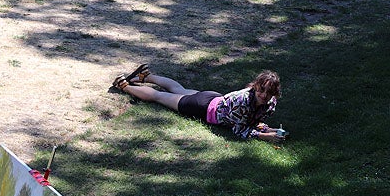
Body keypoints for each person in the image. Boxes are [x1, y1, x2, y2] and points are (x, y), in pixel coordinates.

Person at [111, 65, 285, 143]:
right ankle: (124, 86)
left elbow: (251, 120)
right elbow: (239, 130)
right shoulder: (243, 101)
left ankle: (146, 76)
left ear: (274, 94)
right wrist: (265, 136)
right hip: (202, 107)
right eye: (261, 90)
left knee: (178, 88)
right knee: (159, 96)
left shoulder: (270, 102)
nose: (264, 95)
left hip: (213, 98)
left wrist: (267, 128)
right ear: (255, 87)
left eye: (268, 93)